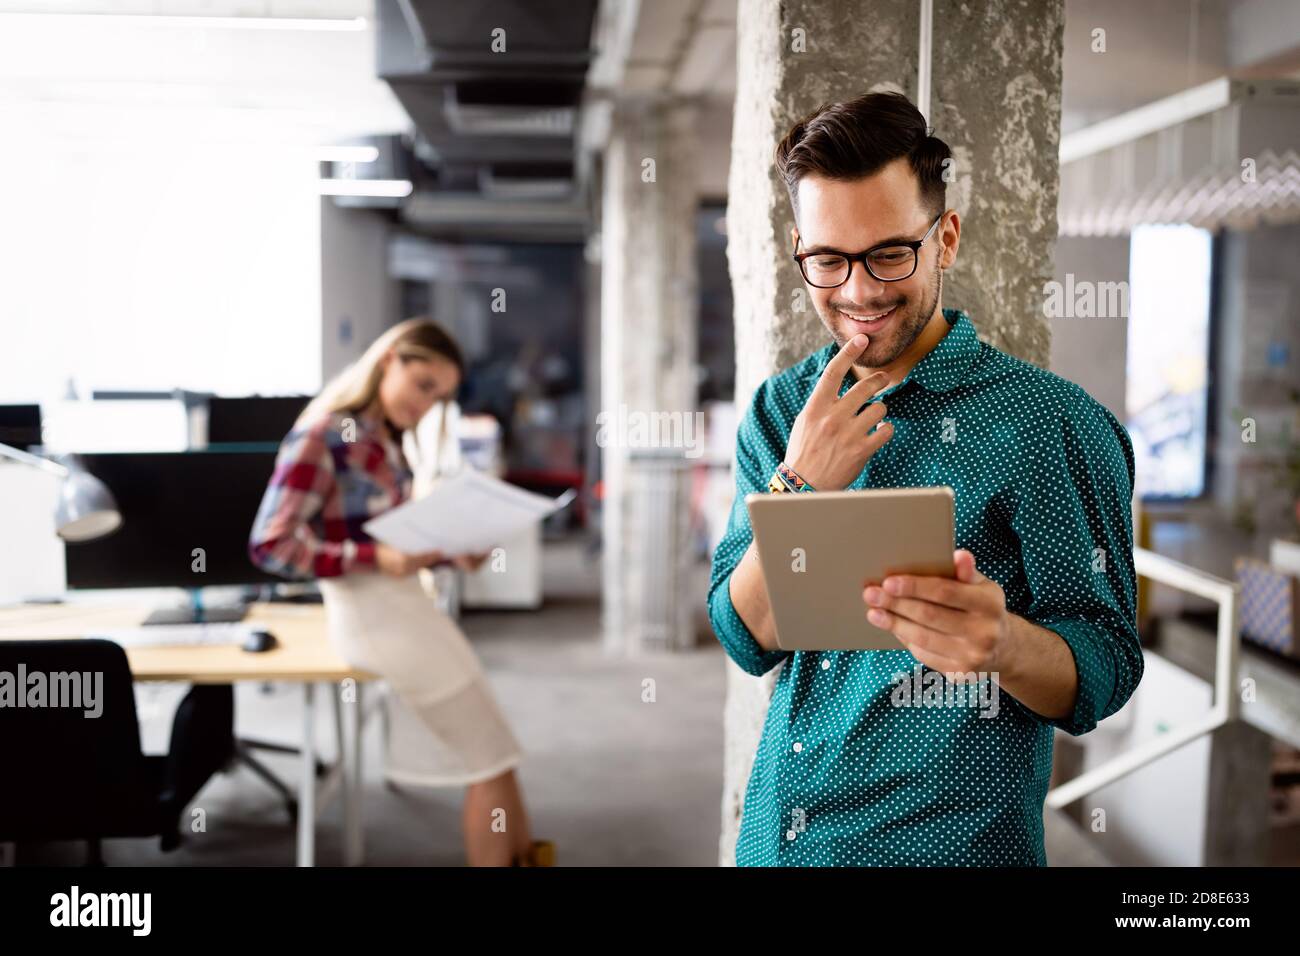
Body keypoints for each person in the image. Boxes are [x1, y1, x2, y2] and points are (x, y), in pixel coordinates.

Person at [708, 92, 1143, 866]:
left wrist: (1004, 644)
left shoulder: (1052, 425)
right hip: (782, 839)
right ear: (799, 250)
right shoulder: (782, 411)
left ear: (944, 239)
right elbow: (748, 638)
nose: (860, 292)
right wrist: (798, 484)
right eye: (829, 260)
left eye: (889, 254)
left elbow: (1106, 667)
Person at [248, 318, 553, 867]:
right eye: (423, 385)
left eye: (440, 395)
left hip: (407, 606)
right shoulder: (323, 435)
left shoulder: (386, 441)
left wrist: (453, 547)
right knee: (488, 759)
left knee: (498, 755)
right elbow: (270, 545)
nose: (428, 403)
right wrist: (373, 558)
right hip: (372, 615)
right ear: (388, 359)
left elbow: (389, 535)